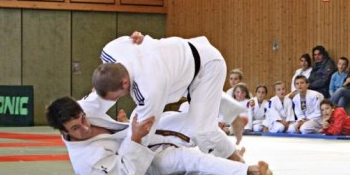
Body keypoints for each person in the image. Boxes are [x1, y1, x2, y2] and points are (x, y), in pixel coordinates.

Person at [45, 96, 273, 175]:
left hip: (138, 134)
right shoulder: (85, 162)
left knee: (190, 118)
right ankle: (247, 170)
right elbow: (128, 173)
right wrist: (135, 138)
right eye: (76, 128)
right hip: (144, 165)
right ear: (63, 131)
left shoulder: (83, 108)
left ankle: (231, 155)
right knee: (188, 160)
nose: (85, 127)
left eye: (83, 119)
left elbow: (105, 90)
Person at [89, 32, 242, 161]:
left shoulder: (149, 88)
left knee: (202, 131)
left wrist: (123, 158)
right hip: (180, 61)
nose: (117, 99)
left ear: (124, 82)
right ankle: (232, 112)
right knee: (198, 99)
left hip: (207, 67)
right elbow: (134, 39)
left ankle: (238, 161)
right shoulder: (110, 50)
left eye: (116, 97)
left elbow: (143, 134)